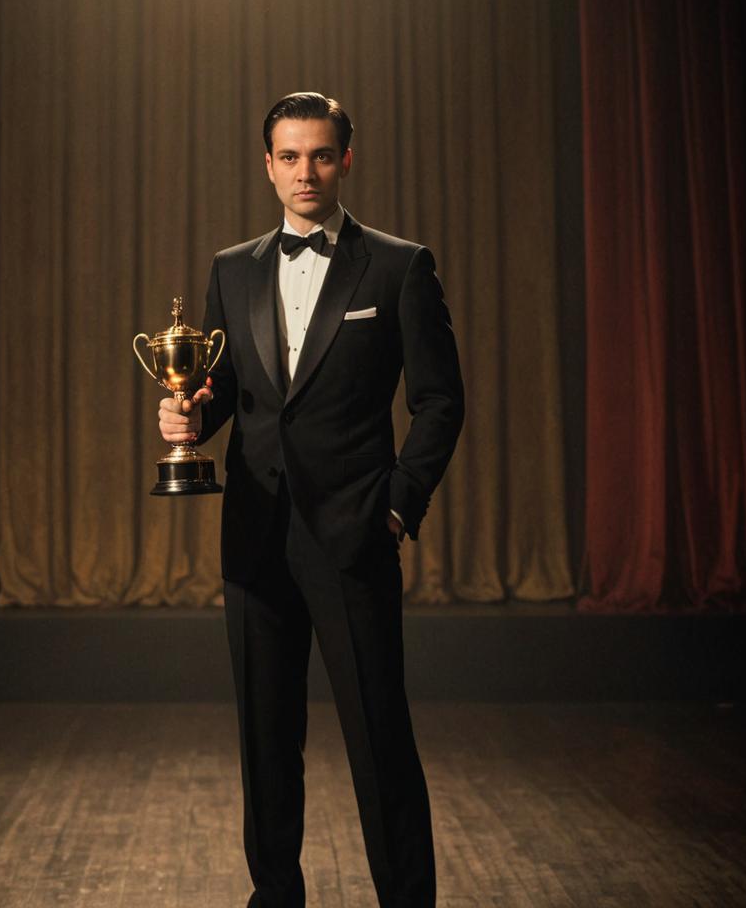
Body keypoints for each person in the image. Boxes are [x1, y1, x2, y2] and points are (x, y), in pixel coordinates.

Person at [158, 92, 464, 908]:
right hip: (255, 541)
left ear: (346, 161)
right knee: (265, 744)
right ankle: (274, 899)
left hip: (354, 536)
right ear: (267, 166)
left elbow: (441, 401)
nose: (305, 172)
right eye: (289, 157)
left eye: (321, 155)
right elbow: (231, 396)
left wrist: (397, 505)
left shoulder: (399, 266)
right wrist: (187, 412)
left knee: (378, 740)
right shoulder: (233, 268)